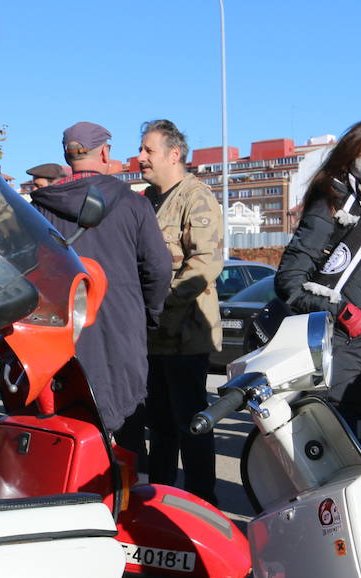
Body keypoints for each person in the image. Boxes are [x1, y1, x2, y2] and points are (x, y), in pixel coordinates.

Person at [31, 120, 172, 437]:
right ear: (105, 153)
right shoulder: (133, 204)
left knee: (66, 434)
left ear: (68, 157)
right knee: (126, 435)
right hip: (122, 333)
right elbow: (158, 267)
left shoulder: (40, 209)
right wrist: (150, 313)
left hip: (61, 339)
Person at [275, 119, 361, 431]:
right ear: (348, 157)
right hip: (336, 346)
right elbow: (289, 281)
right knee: (335, 450)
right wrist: (342, 313)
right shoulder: (332, 201)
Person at [137, 119, 224, 502]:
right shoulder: (142, 202)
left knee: (191, 425)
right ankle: (159, 503)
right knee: (159, 427)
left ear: (174, 154)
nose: (140, 157)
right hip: (151, 336)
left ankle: (204, 505)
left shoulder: (195, 197)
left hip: (185, 334)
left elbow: (204, 263)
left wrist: (162, 307)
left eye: (148, 150)